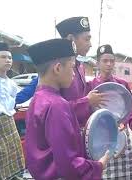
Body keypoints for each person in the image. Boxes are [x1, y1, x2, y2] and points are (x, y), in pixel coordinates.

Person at [25, 39, 110, 179]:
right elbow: (68, 164)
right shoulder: (57, 105)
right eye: (71, 67)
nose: (74, 74)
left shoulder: (37, 98)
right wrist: (99, 166)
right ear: (58, 68)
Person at [87, 44, 132, 179]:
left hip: (120, 129)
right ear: (97, 63)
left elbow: (129, 106)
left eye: (112, 61)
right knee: (103, 170)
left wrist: (123, 122)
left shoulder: (122, 84)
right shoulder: (90, 85)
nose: (109, 64)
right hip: (99, 133)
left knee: (127, 172)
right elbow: (88, 110)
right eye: (105, 61)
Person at [0, 42, 25, 179]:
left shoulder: (12, 84)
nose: (8, 60)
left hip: (9, 123)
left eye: (10, 57)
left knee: (13, 153)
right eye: (3, 57)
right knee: (0, 156)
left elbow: (13, 102)